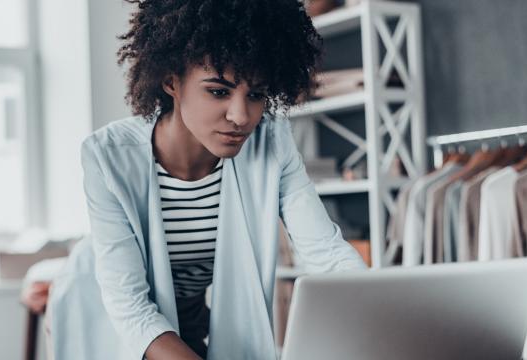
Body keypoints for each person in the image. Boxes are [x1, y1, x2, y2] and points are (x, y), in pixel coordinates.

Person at [23, 1, 367, 359]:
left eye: (256, 94)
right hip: (102, 311)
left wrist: (380, 310)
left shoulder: (272, 141)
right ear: (171, 81)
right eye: (219, 91)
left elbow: (326, 254)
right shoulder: (107, 156)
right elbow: (131, 308)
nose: (240, 116)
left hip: (185, 312)